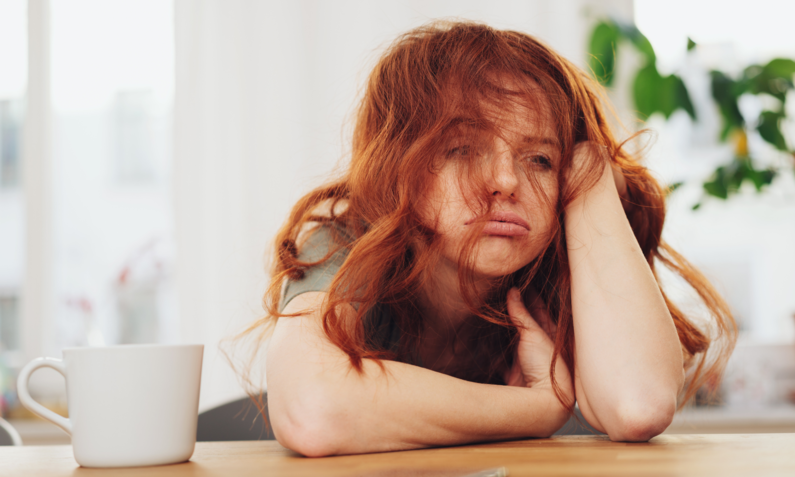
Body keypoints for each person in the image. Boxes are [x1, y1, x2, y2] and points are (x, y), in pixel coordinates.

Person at [242, 21, 736, 456]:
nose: (506, 180)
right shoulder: (346, 241)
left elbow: (639, 404)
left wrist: (590, 169)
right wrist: (536, 407)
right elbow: (313, 408)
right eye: (462, 149)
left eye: (540, 159)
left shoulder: (561, 259)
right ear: (399, 167)